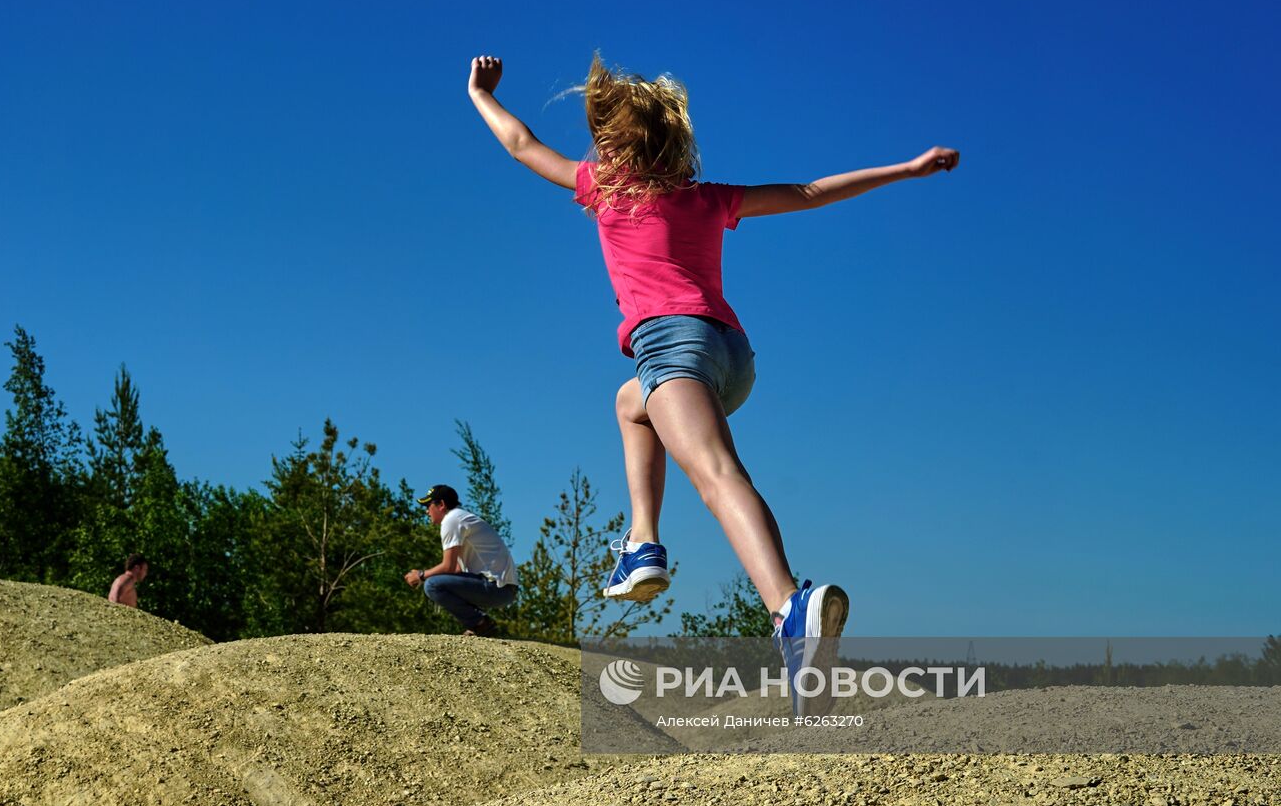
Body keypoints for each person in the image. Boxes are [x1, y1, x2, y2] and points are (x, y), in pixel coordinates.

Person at [467, 53, 958, 706]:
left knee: (718, 476)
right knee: (629, 402)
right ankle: (643, 545)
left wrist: (480, 93)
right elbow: (810, 192)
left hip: (673, 348)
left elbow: (521, 143)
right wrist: (906, 168)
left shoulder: (602, 190)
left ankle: (790, 608)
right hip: (730, 357)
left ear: (613, 145)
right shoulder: (706, 199)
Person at [407, 484, 519, 637]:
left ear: (441, 505)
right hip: (504, 589)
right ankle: (479, 624)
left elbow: (448, 566)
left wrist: (420, 575)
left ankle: (481, 623)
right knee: (438, 582)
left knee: (432, 585)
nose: (426, 511)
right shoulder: (459, 518)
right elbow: (457, 570)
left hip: (497, 588)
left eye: (428, 505)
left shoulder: (451, 520)